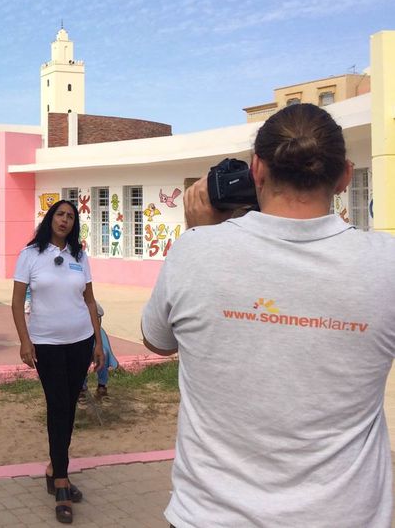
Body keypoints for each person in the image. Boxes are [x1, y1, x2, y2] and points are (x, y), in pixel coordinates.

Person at [141, 103, 395, 528]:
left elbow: (157, 342)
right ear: (345, 174)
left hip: (209, 517)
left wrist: (203, 232)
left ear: (256, 168)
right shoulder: (386, 264)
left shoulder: (195, 252)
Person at [11, 200, 105, 524]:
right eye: (60, 214)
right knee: (58, 406)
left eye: (70, 216)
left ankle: (55, 469)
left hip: (80, 342)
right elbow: (15, 302)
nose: (65, 220)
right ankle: (62, 482)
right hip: (47, 344)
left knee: (69, 408)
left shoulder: (80, 256)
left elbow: (90, 300)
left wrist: (98, 343)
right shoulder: (30, 255)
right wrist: (25, 340)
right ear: (50, 219)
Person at [78, 301, 118, 404]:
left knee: (104, 354)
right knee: (80, 357)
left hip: (94, 343)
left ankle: (102, 386)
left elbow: (98, 310)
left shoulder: (99, 331)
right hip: (80, 338)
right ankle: (81, 388)